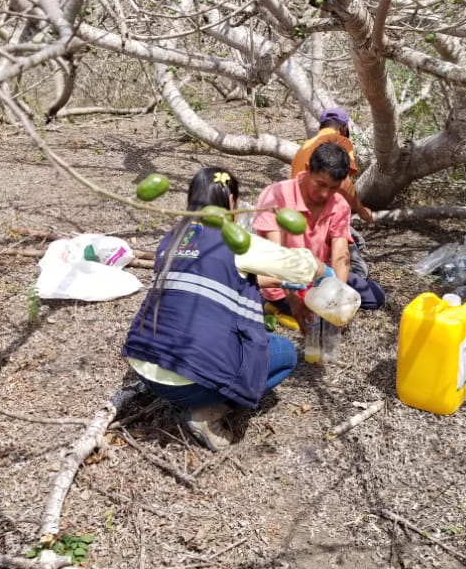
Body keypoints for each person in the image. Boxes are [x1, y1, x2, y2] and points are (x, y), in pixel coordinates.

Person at [122, 167, 331, 452]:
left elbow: (221, 276)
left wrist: (279, 281)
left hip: (144, 368)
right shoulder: (234, 240)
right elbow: (301, 266)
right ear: (231, 201)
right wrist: (324, 271)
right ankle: (208, 411)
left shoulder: (171, 239)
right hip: (188, 381)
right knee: (283, 353)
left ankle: (187, 396)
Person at [256, 141, 385, 329]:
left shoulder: (339, 205)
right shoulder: (276, 196)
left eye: (333, 187)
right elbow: (277, 258)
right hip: (284, 284)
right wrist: (293, 299)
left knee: (375, 298)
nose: (325, 194)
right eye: (320, 184)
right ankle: (272, 305)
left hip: (321, 277)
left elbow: (341, 256)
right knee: (313, 316)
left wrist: (336, 296)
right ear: (308, 169)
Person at [290, 107, 372, 277]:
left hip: (296, 214)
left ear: (321, 127)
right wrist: (362, 211)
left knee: (359, 241)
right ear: (344, 127)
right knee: (359, 271)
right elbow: (344, 184)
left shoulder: (304, 146)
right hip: (319, 217)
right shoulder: (340, 141)